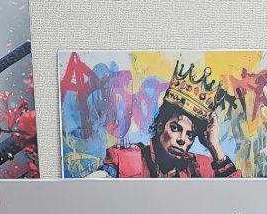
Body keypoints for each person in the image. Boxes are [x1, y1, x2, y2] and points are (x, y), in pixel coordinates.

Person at [101, 64, 240, 178]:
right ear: (160, 125)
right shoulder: (126, 160)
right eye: (175, 128)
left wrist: (214, 146)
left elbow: (237, 194)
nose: (182, 140)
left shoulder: (200, 168)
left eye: (190, 135)